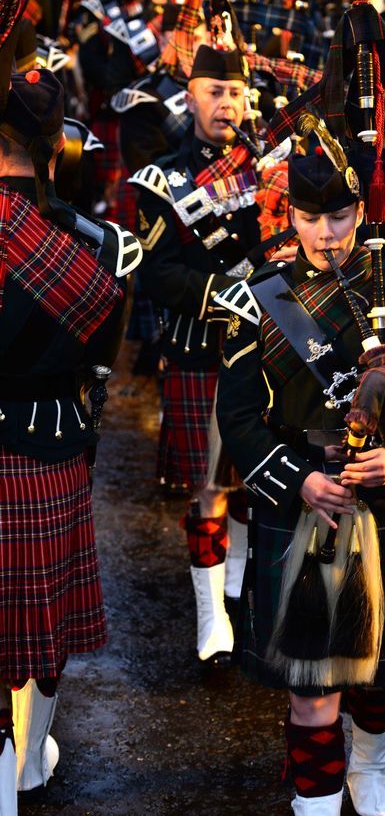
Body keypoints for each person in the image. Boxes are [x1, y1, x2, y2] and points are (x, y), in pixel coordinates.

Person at [216, 148, 385, 816]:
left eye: (339, 215)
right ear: (291, 216)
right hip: (307, 498)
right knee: (313, 687)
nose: (327, 232)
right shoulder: (260, 293)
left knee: (378, 673)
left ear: (360, 212)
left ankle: (368, 769)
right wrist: (296, 478)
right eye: (311, 217)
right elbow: (239, 414)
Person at [0, 67, 141, 816]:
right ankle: (26, 767)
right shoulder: (101, 245)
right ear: (59, 149)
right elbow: (98, 364)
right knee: (43, 626)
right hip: (57, 445)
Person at [130, 44, 266, 666]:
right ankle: (211, 614)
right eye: (214, 91)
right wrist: (226, 295)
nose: (227, 104)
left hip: (263, 350)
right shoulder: (164, 179)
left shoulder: (271, 171)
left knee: (254, 479)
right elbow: (156, 274)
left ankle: (236, 579)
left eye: (236, 92)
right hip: (198, 351)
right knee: (208, 487)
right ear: (190, 96)